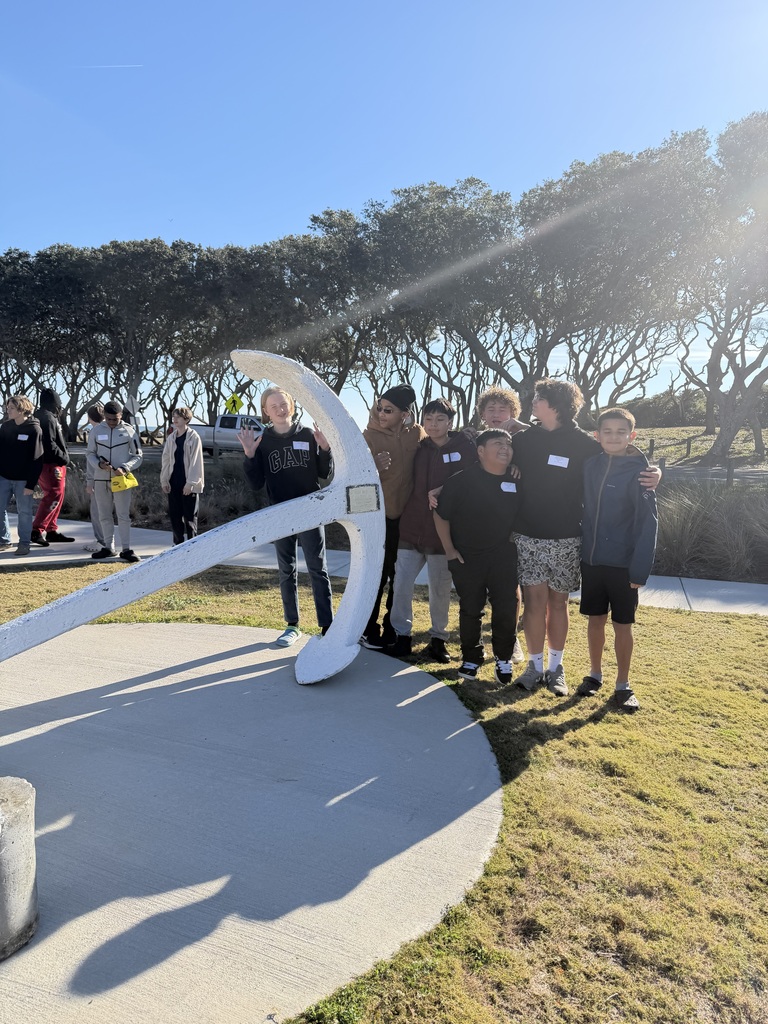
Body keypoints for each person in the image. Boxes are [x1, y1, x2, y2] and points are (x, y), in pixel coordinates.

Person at [511, 379, 660, 697]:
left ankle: (556, 669)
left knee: (558, 604)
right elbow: (496, 455)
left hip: (567, 538)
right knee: (534, 604)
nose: (532, 402)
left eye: (538, 398)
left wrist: (656, 472)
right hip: (528, 536)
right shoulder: (523, 440)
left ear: (555, 404)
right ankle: (534, 667)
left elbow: (620, 456)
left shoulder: (584, 444)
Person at [238, 386, 334, 647]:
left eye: (284, 404)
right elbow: (256, 484)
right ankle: (292, 625)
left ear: (292, 405)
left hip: (310, 511)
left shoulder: (308, 434)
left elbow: (324, 474)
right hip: (280, 513)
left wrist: (325, 448)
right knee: (286, 569)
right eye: (274, 406)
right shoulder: (262, 442)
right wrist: (249, 455)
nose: (280, 410)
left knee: (318, 568)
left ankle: (327, 627)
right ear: (266, 412)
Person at [576, 408, 658, 712]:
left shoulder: (641, 473)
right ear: (596, 435)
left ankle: (623, 684)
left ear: (631, 436)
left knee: (623, 624)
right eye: (607, 432)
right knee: (595, 620)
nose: (613, 437)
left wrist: (639, 570)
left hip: (623, 565)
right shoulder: (590, 465)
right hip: (592, 561)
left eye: (621, 432)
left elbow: (648, 523)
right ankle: (594, 675)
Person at [387, 398, 478, 663]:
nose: (434, 424)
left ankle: (439, 639)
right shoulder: (419, 447)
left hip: (444, 533)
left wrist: (445, 491)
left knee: (439, 590)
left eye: (440, 419)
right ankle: (401, 636)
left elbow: (473, 481)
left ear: (450, 422)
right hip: (411, 527)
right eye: (428, 419)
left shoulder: (465, 448)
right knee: (401, 585)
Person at [433, 430, 521, 684]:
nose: (505, 448)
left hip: (504, 557)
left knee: (506, 608)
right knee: (471, 609)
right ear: (480, 451)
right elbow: (441, 515)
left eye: (508, 444)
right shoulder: (461, 480)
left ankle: (503, 658)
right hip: (467, 558)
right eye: (497, 443)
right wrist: (449, 550)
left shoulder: (516, 479)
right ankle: (471, 657)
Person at [361, 384, 426, 650]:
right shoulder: (368, 436)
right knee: (377, 575)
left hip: (407, 519)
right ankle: (367, 628)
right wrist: (372, 467)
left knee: (399, 577)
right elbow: (352, 478)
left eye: (388, 410)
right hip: (378, 519)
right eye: (380, 408)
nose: (381, 414)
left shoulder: (417, 434)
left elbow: (437, 447)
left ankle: (392, 628)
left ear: (404, 414)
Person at [86, 399, 143, 563]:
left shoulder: (129, 431)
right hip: (100, 479)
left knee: (123, 516)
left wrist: (125, 467)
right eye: (109, 419)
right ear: (104, 416)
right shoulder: (96, 431)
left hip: (121, 480)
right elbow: (90, 453)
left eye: (115, 419)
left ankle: (126, 549)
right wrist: (99, 465)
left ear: (121, 415)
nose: (112, 422)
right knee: (104, 515)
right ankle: (108, 547)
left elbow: (138, 455)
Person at [0, 395, 44, 556]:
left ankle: (24, 543)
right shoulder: (5, 427)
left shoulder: (34, 429)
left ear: (21, 410)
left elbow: (37, 460)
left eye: (11, 408)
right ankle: (4, 540)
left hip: (23, 481)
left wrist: (30, 484)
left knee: (24, 512)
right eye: (7, 407)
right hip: (4, 477)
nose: (8, 410)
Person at [30, 388, 74, 545]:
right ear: (54, 403)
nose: (60, 408)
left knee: (57, 495)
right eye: (59, 404)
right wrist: (63, 457)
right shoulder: (47, 418)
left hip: (50, 463)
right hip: (50, 464)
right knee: (53, 494)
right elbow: (48, 443)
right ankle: (37, 530)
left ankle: (51, 530)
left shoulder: (44, 416)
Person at [160, 407, 204, 544]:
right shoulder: (171, 438)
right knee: (175, 517)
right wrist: (164, 481)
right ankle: (177, 546)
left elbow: (196, 462)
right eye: (174, 417)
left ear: (186, 419)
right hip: (174, 482)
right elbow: (166, 460)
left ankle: (193, 546)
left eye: (178, 417)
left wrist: (190, 483)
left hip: (188, 484)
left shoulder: (193, 437)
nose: (175, 419)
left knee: (190, 519)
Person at [83, 404, 108, 552]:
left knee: (97, 511)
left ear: (89, 417)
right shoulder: (110, 430)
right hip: (112, 477)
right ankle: (107, 540)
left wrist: (89, 482)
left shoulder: (94, 432)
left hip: (98, 478)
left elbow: (91, 460)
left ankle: (101, 542)